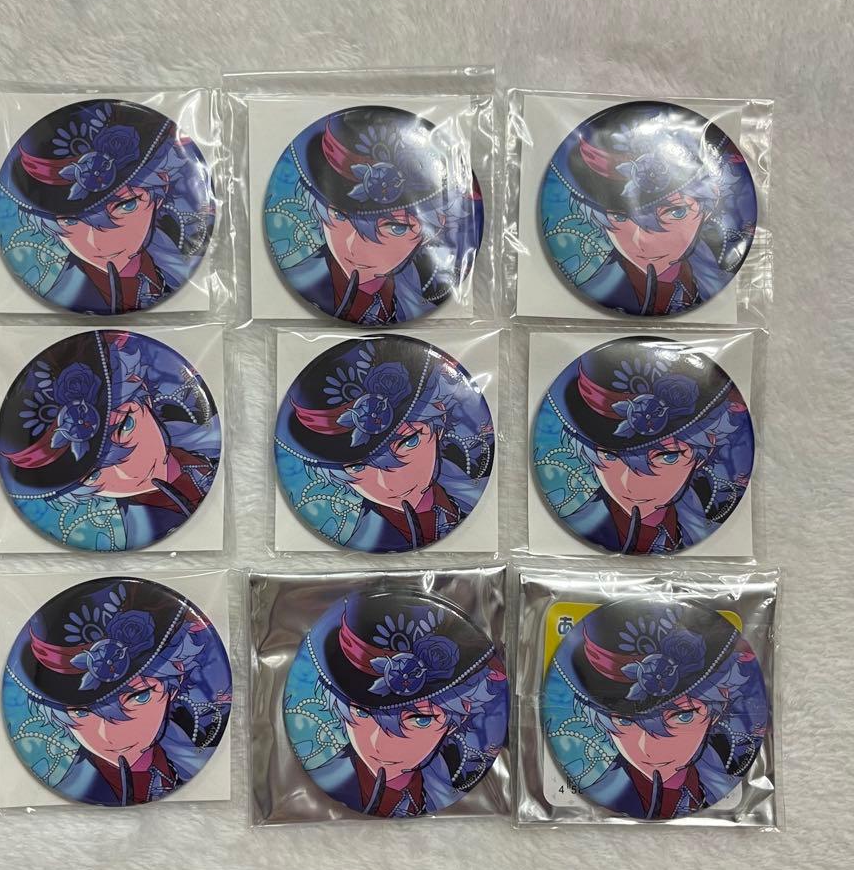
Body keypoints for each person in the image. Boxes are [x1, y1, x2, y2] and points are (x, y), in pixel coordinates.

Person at [4, 578, 231, 807]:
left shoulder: (198, 746)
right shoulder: (74, 786)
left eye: (139, 697)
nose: (109, 737)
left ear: (178, 673)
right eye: (81, 713)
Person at [285, 591, 508, 817]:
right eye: (362, 713)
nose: (379, 745)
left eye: (419, 720)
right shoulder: (326, 780)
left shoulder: (451, 783)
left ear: (462, 712)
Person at [0, 330, 220, 550]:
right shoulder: (136, 529)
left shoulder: (201, 430)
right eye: (93, 476)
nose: (132, 474)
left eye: (125, 427)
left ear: (140, 387)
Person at [546, 599, 768, 820]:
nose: (649, 750)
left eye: (683, 716)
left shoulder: (726, 769)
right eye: (624, 721)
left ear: (722, 701)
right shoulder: (604, 791)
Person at [537, 336, 754, 553]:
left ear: (707, 447)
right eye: (609, 456)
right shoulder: (575, 530)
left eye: (667, 457)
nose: (630, 485)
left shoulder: (712, 521)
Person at [275, 337, 493, 551]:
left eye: (409, 441)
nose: (391, 485)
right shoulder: (365, 536)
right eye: (357, 467)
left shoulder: (470, 490)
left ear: (440, 417)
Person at [0, 99, 214, 313]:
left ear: (162, 185)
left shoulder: (178, 257)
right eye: (70, 221)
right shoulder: (66, 293)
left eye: (126, 206)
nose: (97, 244)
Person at [543, 101, 756, 315]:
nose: (642, 242)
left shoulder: (714, 270)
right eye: (619, 218)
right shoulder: (601, 287)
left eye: (676, 212)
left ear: (709, 205)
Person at [273, 105, 482, 324]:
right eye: (340, 216)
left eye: (396, 228)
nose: (353, 248)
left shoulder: (422, 294)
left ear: (435, 227)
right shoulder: (301, 281)